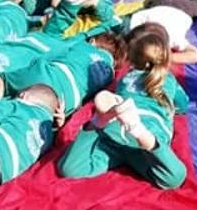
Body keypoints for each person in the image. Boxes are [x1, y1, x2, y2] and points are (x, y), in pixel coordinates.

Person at [56, 23, 189, 189]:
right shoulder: (168, 79)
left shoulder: (125, 80)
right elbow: (183, 105)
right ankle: (140, 131)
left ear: (130, 59)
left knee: (70, 168)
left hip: (114, 130)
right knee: (174, 177)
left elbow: (69, 170)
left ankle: (99, 120)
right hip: (149, 134)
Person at [0, 31, 124, 121]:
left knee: (3, 80)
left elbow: (52, 53)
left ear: (93, 42)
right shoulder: (109, 75)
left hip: (49, 72)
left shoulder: (83, 46)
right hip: (64, 99)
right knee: (20, 109)